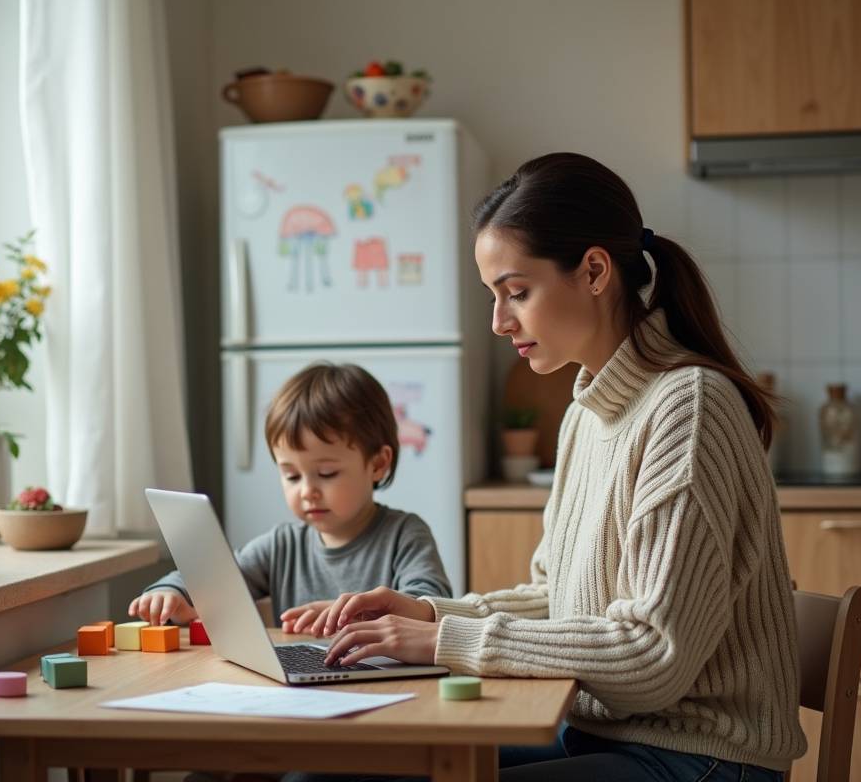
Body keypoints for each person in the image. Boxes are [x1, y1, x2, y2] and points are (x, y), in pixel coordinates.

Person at [298, 153, 806, 782]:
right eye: (494, 296)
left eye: (516, 292)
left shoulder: (687, 407)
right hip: (598, 734)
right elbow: (559, 603)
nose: (498, 320)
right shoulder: (587, 413)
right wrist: (431, 615)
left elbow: (653, 657)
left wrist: (444, 644)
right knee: (335, 770)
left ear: (594, 271)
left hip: (697, 755)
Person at [129, 361, 452, 633]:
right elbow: (214, 577)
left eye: (326, 473)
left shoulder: (405, 536)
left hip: (385, 679)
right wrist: (169, 591)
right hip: (302, 684)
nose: (307, 490)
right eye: (291, 475)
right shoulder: (282, 545)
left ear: (378, 464)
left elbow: (433, 607)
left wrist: (365, 614)